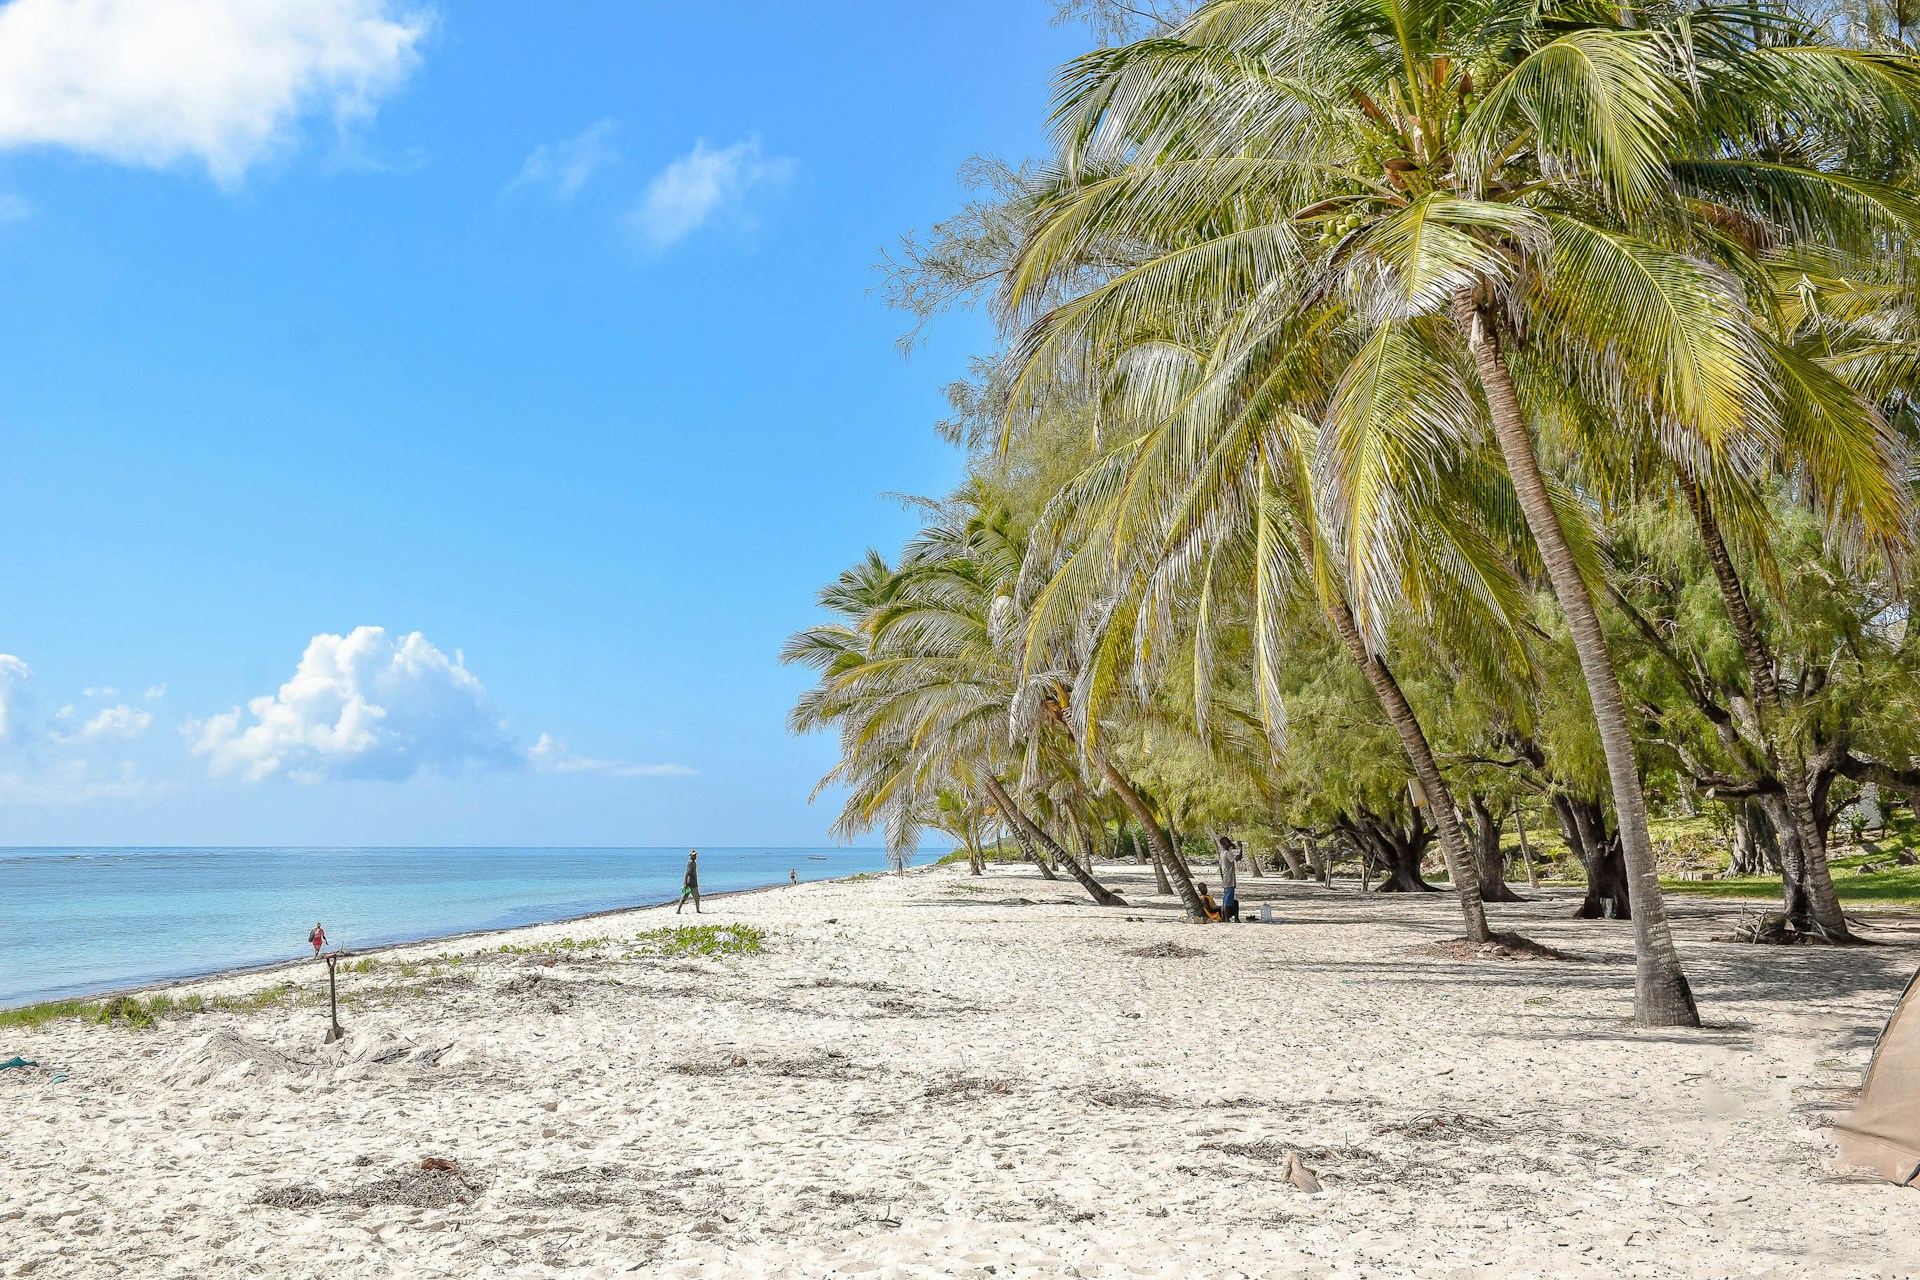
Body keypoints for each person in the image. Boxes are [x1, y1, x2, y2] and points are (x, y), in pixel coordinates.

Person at [1215, 835, 1242, 922]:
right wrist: (1241, 849)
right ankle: (1226, 918)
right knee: (1227, 900)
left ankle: (1225, 917)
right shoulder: (1227, 853)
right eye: (1227, 842)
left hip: (1225, 878)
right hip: (1229, 879)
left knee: (1227, 899)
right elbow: (1238, 858)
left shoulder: (1222, 853)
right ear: (1224, 844)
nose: (1229, 843)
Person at [676, 850, 701, 914]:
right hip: (690, 883)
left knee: (693, 897)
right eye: (694, 855)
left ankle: (697, 910)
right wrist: (685, 883)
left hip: (693, 882)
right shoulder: (690, 863)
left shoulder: (693, 862)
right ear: (690, 856)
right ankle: (679, 909)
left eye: (695, 855)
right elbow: (687, 873)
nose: (695, 856)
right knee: (690, 897)